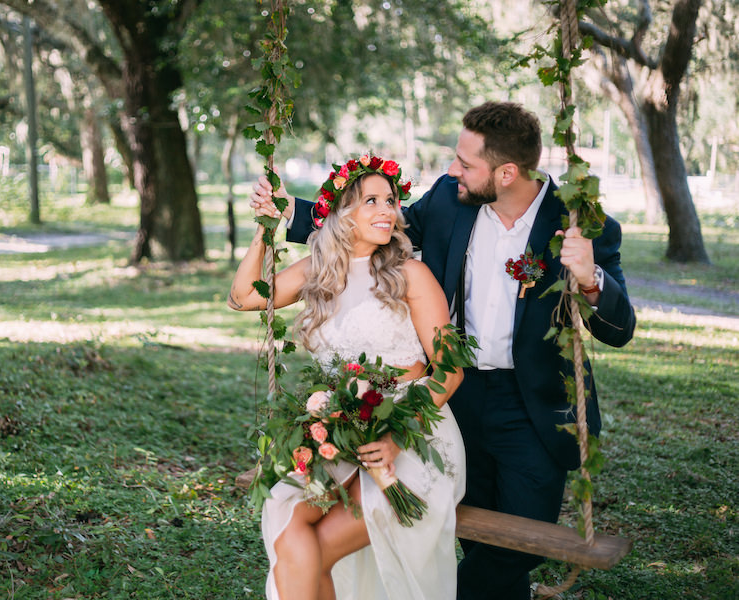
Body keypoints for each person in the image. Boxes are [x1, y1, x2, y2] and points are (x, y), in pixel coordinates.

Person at [250, 102, 637, 600]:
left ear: (506, 172)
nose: (452, 170)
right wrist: (292, 211)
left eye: (465, 162)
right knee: (471, 537)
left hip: (533, 405)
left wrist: (590, 280)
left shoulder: (580, 223)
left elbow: (620, 329)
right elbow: (381, 223)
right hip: (452, 396)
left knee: (521, 540)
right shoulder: (451, 203)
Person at [229, 155, 466, 600]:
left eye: (391, 200)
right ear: (340, 215)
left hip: (411, 434)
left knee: (313, 547)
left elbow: (451, 370)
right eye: (370, 200)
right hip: (343, 429)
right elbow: (243, 297)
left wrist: (400, 434)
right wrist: (266, 228)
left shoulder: (410, 274)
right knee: (288, 520)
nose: (386, 210)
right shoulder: (320, 272)